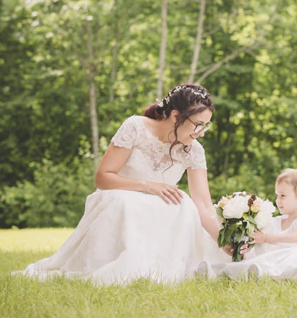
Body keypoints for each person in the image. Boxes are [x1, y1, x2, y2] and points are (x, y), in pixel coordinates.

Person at [14, 83, 230, 285]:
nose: (201, 132)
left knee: (183, 203)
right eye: (198, 125)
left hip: (159, 207)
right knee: (124, 202)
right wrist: (150, 187)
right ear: (176, 116)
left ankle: (161, 268)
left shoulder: (194, 149)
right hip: (119, 196)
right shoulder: (136, 127)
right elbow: (103, 177)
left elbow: (203, 204)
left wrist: (223, 240)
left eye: (206, 126)